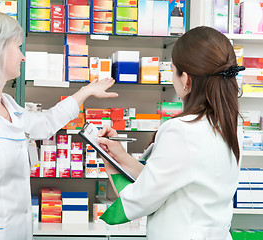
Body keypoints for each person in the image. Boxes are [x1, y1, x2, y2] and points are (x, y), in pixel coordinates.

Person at [0, 10, 118, 240]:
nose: (23, 56)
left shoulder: (11, 109)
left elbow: (47, 123)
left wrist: (85, 92)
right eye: (17, 47)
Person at [97, 26, 244, 240]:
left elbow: (140, 200)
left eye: (172, 70)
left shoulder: (181, 130)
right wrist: (122, 157)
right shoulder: (231, 125)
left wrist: (111, 166)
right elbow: (170, 178)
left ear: (186, 79)